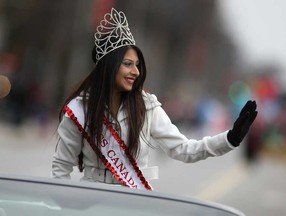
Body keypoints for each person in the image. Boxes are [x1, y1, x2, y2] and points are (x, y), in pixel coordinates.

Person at [52, 8, 258, 190]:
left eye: (138, 65)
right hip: (90, 199)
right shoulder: (80, 109)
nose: (136, 71)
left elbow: (183, 149)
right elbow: (61, 167)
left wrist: (230, 138)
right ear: (109, 66)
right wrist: (66, 206)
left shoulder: (147, 107)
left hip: (135, 201)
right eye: (128, 64)